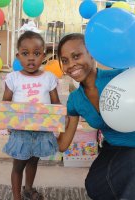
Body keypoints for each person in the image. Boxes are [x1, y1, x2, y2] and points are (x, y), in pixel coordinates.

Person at [57, 33, 135, 200]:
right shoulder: (75, 100)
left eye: (76, 56)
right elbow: (63, 145)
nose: (71, 65)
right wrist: (36, 131)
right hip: (114, 148)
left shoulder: (119, 77)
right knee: (95, 186)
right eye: (65, 60)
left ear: (92, 53)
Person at [2, 31, 60, 200]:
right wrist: (1, 117)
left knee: (34, 161)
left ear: (43, 55)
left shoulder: (49, 78)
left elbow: (55, 103)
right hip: (20, 131)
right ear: (18, 56)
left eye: (36, 53)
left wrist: (61, 118)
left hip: (42, 130)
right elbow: (6, 102)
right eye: (25, 53)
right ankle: (16, 196)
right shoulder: (13, 78)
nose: (31, 58)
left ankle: (28, 189)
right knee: (19, 164)